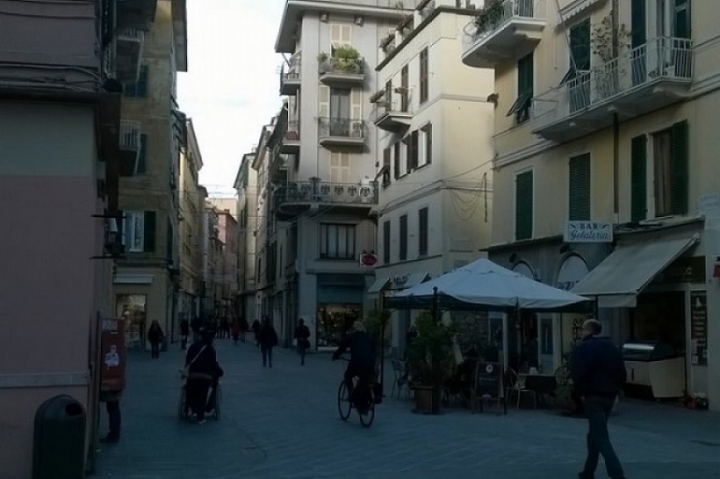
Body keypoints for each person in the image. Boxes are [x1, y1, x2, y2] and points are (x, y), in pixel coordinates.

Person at [572, 319, 626, 479]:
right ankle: (588, 471)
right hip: (609, 396)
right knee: (595, 432)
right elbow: (621, 371)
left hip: (593, 396)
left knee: (600, 436)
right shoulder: (611, 347)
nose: (581, 332)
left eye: (582, 329)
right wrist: (617, 389)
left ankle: (617, 473)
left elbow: (578, 373)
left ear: (589, 330)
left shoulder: (583, 349)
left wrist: (579, 393)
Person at [332, 321, 376, 414]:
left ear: (354, 329)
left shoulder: (352, 337)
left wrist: (335, 356)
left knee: (348, 375)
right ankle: (363, 401)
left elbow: (342, 347)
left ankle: (351, 394)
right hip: (370, 365)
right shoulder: (369, 337)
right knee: (364, 380)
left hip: (357, 364)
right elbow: (374, 350)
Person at [185, 328, 218, 424]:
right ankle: (201, 416)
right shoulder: (211, 350)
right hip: (206, 377)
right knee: (203, 394)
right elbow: (214, 365)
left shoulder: (193, 347)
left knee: (192, 391)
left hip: (193, 375)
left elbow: (188, 361)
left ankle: (193, 409)